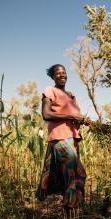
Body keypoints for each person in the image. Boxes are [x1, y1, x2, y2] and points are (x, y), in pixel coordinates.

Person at [36, 64, 91, 211]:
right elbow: (46, 114)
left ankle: (72, 209)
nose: (62, 75)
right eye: (58, 73)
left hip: (72, 139)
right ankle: (71, 211)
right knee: (76, 174)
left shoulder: (71, 95)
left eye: (64, 72)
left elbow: (73, 117)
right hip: (60, 138)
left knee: (72, 175)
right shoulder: (50, 90)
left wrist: (81, 120)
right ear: (53, 76)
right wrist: (71, 115)